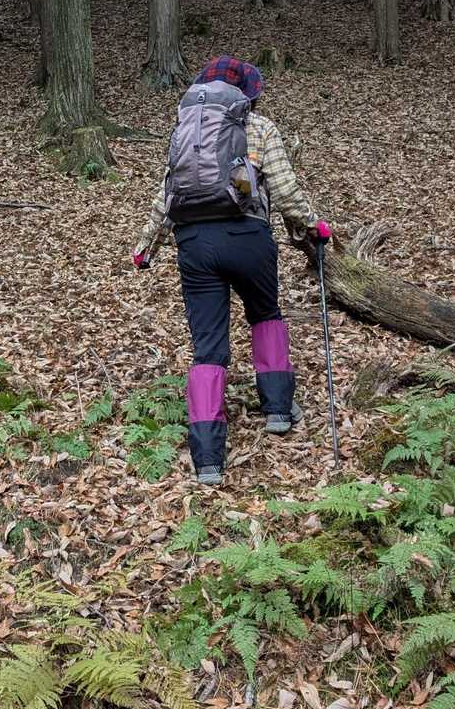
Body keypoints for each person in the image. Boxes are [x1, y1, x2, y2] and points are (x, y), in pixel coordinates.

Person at [132, 56, 330, 486]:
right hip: (248, 238)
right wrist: (312, 226)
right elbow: (285, 189)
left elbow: (167, 195)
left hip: (194, 244)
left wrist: (147, 246)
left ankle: (207, 460)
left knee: (207, 348)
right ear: (249, 93)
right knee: (265, 313)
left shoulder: (187, 130)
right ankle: (277, 410)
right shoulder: (259, 127)